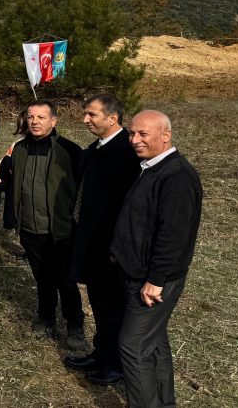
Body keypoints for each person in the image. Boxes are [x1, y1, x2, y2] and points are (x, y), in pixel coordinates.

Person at [111, 110, 203, 408]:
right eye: (132, 133)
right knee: (154, 342)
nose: (134, 140)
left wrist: (155, 280)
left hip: (152, 280)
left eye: (143, 134)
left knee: (133, 345)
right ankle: (164, 402)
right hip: (138, 272)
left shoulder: (176, 176)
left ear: (166, 136)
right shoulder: (151, 167)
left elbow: (173, 236)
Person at [65, 94, 141, 386]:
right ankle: (101, 353)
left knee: (114, 307)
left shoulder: (126, 153)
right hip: (92, 242)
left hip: (112, 249)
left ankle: (116, 363)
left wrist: (116, 248)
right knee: (99, 302)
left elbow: (129, 207)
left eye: (91, 115)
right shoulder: (97, 148)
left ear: (113, 118)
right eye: (86, 114)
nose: (85, 119)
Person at [0, 101, 86, 349]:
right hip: (29, 228)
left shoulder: (69, 150)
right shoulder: (19, 149)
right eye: (31, 117)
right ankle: (46, 318)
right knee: (42, 277)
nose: (35, 121)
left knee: (65, 280)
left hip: (59, 231)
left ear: (54, 121)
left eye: (41, 117)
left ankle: (74, 325)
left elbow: (81, 190)